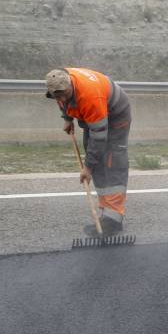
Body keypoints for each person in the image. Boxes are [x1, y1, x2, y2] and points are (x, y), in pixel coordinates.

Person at [45, 68, 132, 236]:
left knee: (111, 161)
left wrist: (88, 168)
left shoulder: (90, 96)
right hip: (93, 114)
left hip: (116, 116)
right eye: (56, 96)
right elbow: (64, 102)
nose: (61, 98)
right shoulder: (59, 84)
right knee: (95, 157)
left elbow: (99, 138)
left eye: (64, 93)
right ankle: (106, 211)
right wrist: (67, 118)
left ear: (70, 84)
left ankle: (113, 219)